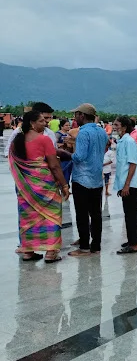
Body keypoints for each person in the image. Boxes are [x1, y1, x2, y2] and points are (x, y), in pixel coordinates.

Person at [9, 110, 70, 263]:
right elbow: (54, 165)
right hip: (45, 185)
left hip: (25, 188)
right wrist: (64, 185)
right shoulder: (44, 140)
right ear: (32, 123)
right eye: (42, 121)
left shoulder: (17, 140)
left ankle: (28, 252)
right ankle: (50, 253)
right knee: (52, 215)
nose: (46, 123)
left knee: (28, 217)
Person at [67, 103, 108, 257]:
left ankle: (84, 247)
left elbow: (79, 157)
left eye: (76, 114)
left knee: (82, 214)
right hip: (97, 178)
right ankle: (96, 245)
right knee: (96, 214)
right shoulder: (102, 132)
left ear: (82, 116)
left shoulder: (83, 133)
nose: (74, 117)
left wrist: (66, 154)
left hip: (82, 179)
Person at [112, 116, 137, 255]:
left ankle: (134, 245)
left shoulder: (129, 141)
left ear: (124, 127)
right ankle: (132, 240)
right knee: (128, 213)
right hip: (125, 183)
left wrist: (127, 185)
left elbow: (133, 163)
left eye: (117, 125)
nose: (114, 127)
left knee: (131, 214)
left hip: (129, 184)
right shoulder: (122, 141)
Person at [55, 119, 74, 184]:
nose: (68, 126)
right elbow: (54, 143)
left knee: (68, 173)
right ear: (62, 126)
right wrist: (61, 145)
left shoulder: (69, 134)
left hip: (69, 156)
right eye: (66, 125)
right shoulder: (58, 134)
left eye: (69, 125)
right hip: (62, 157)